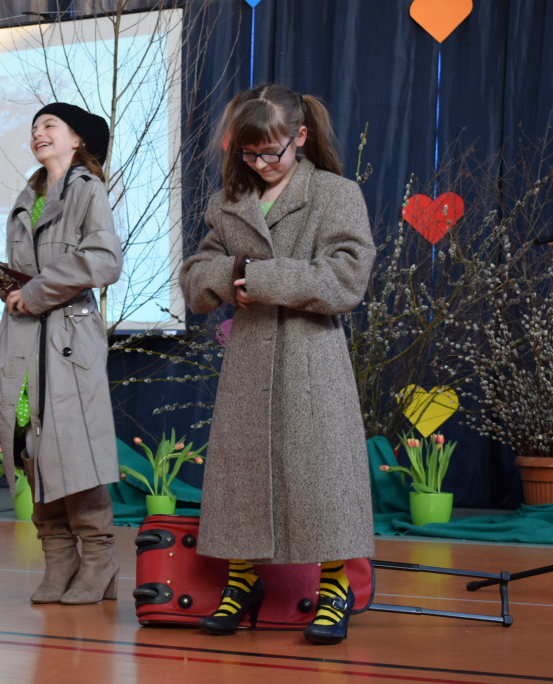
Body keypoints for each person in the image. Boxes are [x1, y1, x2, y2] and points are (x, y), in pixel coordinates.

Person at [179, 84, 376, 644]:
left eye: (272, 152)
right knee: (243, 476)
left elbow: (347, 279)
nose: (261, 164)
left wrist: (260, 278)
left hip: (311, 359)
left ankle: (335, 587)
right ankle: (242, 581)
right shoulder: (229, 203)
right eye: (249, 153)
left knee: (322, 476)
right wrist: (225, 278)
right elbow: (196, 275)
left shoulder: (336, 194)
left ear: (301, 137)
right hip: (248, 361)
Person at [0, 103, 123, 605]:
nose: (38, 133)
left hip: (68, 338)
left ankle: (99, 559)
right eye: (33, 128)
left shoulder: (88, 190)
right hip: (25, 340)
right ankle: (59, 559)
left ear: (78, 140)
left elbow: (103, 258)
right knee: (30, 447)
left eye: (49, 125)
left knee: (74, 450)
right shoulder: (27, 196)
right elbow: (22, 278)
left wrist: (38, 291)